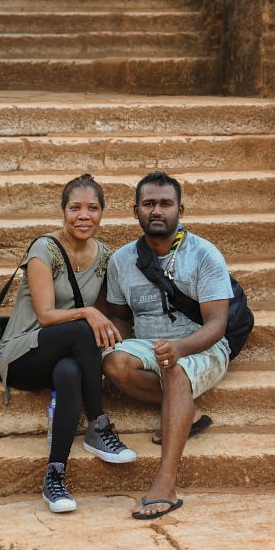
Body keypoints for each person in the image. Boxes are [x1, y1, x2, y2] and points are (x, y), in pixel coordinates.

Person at [0, 174, 137, 514]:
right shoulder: (43, 249)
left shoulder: (105, 257)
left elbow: (105, 319)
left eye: (93, 208)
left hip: (64, 354)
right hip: (23, 353)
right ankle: (99, 422)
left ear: (103, 213)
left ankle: (54, 474)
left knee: (71, 369)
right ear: (63, 211)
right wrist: (88, 312)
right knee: (81, 328)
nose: (83, 216)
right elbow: (45, 316)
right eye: (75, 208)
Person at [102, 172, 232, 519]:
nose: (156, 210)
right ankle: (188, 411)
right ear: (136, 211)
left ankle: (165, 483)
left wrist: (180, 349)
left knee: (175, 370)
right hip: (148, 343)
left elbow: (218, 324)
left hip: (202, 346)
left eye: (165, 203)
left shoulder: (204, 254)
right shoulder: (121, 260)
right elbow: (117, 313)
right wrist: (121, 342)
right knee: (114, 363)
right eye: (149, 204)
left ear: (180, 209)